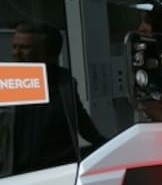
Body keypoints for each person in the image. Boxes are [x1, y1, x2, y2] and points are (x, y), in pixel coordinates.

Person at [9, 21, 106, 174]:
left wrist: (104, 145)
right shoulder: (9, 81)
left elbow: (80, 119)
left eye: (25, 48)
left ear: (48, 53)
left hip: (59, 169)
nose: (16, 53)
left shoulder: (64, 82)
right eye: (15, 46)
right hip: (17, 173)